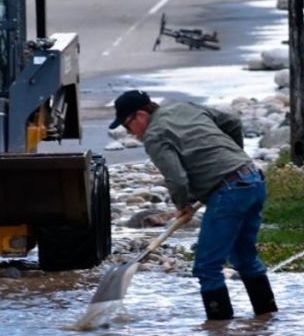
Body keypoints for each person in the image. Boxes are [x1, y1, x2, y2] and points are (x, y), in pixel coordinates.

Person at [109, 89, 278, 321]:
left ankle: (218, 335)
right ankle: (266, 319)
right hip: (253, 181)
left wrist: (183, 205)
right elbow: (232, 122)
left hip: (229, 192)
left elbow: (176, 178)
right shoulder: (183, 107)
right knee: (244, 259)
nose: (130, 133)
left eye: (128, 126)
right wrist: (236, 155)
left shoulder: (155, 135)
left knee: (207, 267)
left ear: (140, 116)